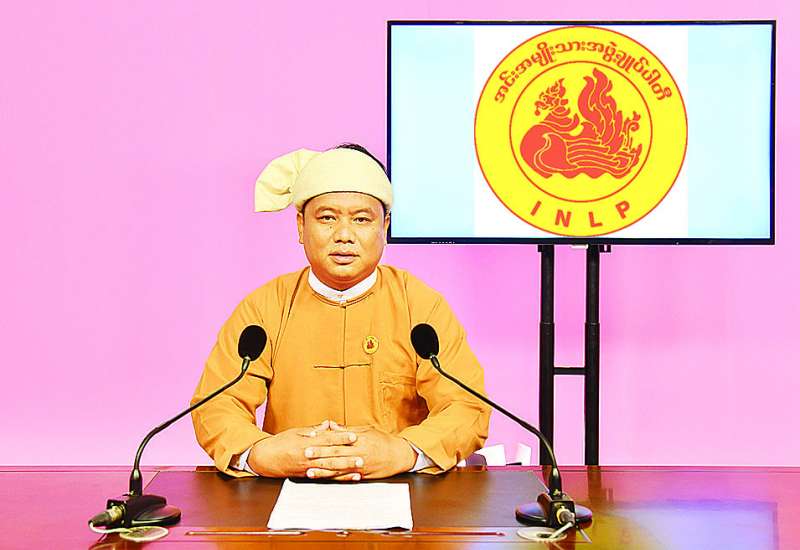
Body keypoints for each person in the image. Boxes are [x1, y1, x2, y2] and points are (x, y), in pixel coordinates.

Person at [190, 143, 491, 481]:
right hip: (287, 491)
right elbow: (217, 404)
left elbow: (466, 406)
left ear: (385, 226)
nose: (344, 235)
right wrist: (260, 453)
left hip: (401, 488)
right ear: (301, 226)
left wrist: (404, 451)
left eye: (361, 219)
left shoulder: (420, 305)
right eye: (327, 218)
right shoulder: (264, 307)